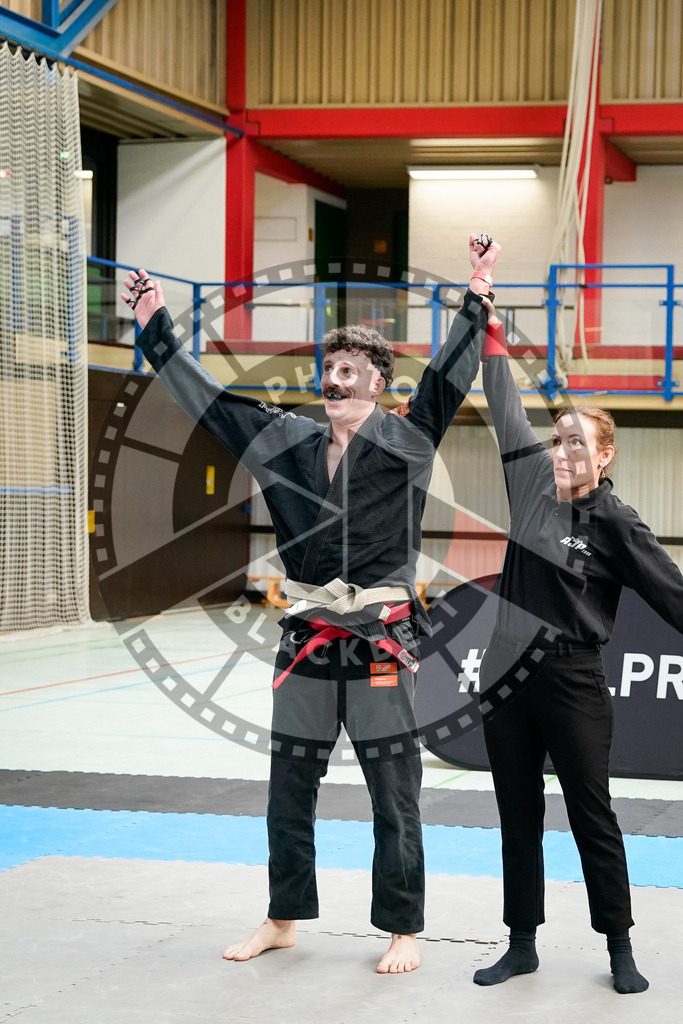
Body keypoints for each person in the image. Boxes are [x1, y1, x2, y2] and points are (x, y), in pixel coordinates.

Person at [121, 233, 500, 974]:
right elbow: (210, 404)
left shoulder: (407, 439)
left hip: (381, 639)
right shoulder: (282, 439)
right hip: (305, 640)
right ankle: (282, 917)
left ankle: (403, 927)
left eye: (349, 371)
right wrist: (155, 330)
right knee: (289, 786)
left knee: (394, 792)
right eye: (328, 370)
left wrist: (477, 295)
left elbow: (449, 379)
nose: (334, 381)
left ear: (378, 384)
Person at [473, 292, 683, 993]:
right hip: (505, 680)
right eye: (555, 437)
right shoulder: (529, 484)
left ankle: (618, 945)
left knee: (591, 815)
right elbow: (502, 401)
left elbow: (673, 596)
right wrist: (487, 319)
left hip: (571, 681)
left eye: (575, 441)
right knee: (516, 815)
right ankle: (520, 942)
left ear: (604, 453)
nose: (560, 449)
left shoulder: (617, 522)